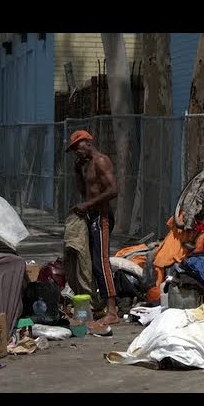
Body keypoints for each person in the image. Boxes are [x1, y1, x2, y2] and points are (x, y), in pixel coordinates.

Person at [66, 130, 120, 325]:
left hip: (102, 217)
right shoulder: (87, 165)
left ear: (88, 143)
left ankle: (112, 311)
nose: (76, 153)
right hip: (91, 216)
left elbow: (113, 190)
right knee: (89, 263)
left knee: (101, 262)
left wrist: (87, 206)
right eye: (73, 150)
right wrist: (76, 172)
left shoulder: (101, 161)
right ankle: (100, 305)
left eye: (77, 147)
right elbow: (85, 192)